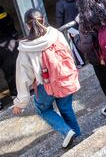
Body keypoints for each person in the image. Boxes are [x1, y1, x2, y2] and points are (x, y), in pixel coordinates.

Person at [12, 8, 81, 149]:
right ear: (43, 19)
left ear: (26, 25)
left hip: (44, 85)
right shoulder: (55, 34)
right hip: (63, 77)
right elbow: (68, 51)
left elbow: (23, 78)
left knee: (43, 110)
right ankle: (77, 135)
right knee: (66, 108)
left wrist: (20, 103)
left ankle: (67, 131)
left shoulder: (25, 48)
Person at [0, 26, 18, 97]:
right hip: (18, 60)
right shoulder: (11, 38)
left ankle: (15, 94)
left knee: (11, 80)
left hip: (7, 66)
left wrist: (0, 66)